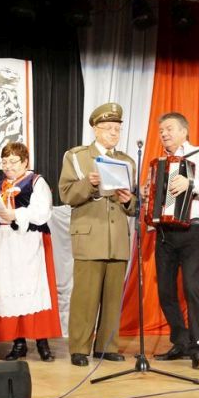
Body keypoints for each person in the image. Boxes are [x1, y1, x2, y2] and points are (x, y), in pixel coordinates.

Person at [58, 102, 136, 366]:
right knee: (86, 296)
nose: (114, 133)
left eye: (117, 128)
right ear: (95, 129)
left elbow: (135, 204)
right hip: (90, 233)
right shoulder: (77, 156)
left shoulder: (127, 161)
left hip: (118, 237)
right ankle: (79, 348)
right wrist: (88, 184)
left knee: (113, 298)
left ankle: (106, 346)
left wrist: (129, 200)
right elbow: (66, 194)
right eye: (109, 128)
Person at [150, 112, 199, 369]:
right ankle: (180, 341)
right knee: (165, 290)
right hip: (165, 231)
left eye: (169, 128)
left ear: (184, 131)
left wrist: (190, 183)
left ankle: (197, 346)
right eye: (161, 130)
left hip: (193, 229)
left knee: (192, 288)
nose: (164, 133)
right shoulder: (160, 162)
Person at [0, 142, 61, 361]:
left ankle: (42, 342)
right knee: (10, 289)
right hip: (4, 245)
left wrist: (16, 214)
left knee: (34, 290)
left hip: (28, 242)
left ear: (25, 162)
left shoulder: (36, 182)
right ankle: (19, 343)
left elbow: (42, 212)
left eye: (13, 161)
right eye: (4, 162)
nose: (8, 166)